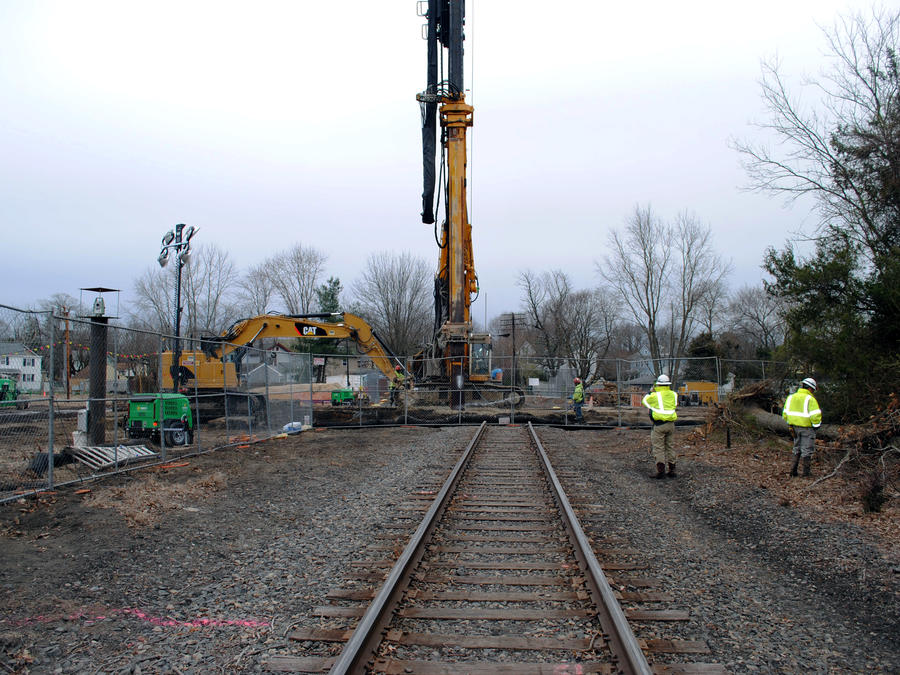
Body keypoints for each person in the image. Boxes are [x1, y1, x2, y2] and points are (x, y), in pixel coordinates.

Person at [782, 377, 822, 477]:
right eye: (813, 390)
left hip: (793, 428)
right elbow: (815, 415)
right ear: (810, 388)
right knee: (807, 450)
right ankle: (806, 474)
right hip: (807, 428)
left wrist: (791, 422)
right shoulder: (810, 399)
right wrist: (816, 426)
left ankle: (793, 471)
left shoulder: (791, 397)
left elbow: (785, 414)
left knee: (796, 448)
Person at [642, 374, 678, 479]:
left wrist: (651, 391)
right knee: (670, 447)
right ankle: (672, 470)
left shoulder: (654, 395)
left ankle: (661, 472)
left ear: (658, 384)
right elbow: (675, 405)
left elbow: (645, 401)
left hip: (659, 425)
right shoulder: (673, 394)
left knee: (658, 448)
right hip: (671, 425)